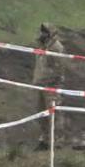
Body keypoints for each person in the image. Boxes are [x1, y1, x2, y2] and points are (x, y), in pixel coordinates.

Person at [32, 22, 65, 150]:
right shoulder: (41, 46)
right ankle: (45, 139)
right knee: (41, 113)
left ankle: (57, 142)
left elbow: (59, 69)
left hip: (52, 86)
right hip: (40, 84)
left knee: (54, 114)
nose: (41, 34)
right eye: (41, 31)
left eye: (44, 32)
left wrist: (52, 82)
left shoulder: (56, 48)